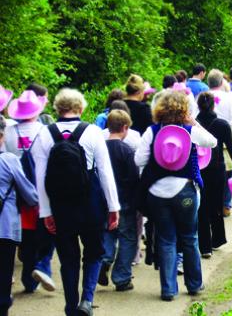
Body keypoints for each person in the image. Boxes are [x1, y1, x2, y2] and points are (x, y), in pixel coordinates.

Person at [32, 88, 120, 316]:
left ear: (57, 109)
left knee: (68, 258)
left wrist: (46, 212)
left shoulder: (44, 134)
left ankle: (71, 306)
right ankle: (87, 300)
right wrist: (113, 207)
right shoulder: (92, 132)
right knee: (94, 252)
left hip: (60, 205)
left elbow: (41, 178)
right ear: (80, 109)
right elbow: (105, 172)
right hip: (90, 201)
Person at [135, 91, 216, 301]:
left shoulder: (152, 131)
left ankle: (168, 289)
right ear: (184, 110)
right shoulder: (189, 130)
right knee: (190, 237)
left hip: (157, 193)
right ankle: (194, 284)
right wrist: (194, 122)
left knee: (166, 239)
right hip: (185, 192)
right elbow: (212, 142)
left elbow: (138, 160)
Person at [4, 91, 56, 293]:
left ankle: (28, 275)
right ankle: (41, 265)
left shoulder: (9, 132)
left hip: (15, 192)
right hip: (41, 190)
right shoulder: (45, 131)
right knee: (45, 230)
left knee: (24, 233)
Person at [0, 115, 39, 316]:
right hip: (5, 226)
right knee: (5, 268)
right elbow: (29, 194)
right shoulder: (9, 160)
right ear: (1, 136)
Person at [196, 92, 232, 258]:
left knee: (201, 207)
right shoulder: (222, 124)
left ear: (198, 106)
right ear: (214, 105)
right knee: (216, 204)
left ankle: (204, 246)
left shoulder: (194, 124)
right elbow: (231, 146)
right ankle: (217, 239)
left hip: (198, 169)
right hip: (217, 168)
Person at [99, 110, 139, 292]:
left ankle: (104, 259)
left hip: (103, 202)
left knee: (107, 233)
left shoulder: (100, 149)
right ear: (125, 128)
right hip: (125, 202)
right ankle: (121, 277)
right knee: (127, 238)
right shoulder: (126, 151)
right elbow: (133, 179)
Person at [206, 69, 232, 216]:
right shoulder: (230, 97)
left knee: (210, 171)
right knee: (229, 172)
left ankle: (213, 203)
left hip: (207, 137)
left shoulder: (201, 96)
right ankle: (226, 205)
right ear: (222, 82)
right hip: (226, 136)